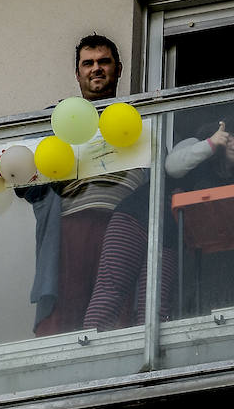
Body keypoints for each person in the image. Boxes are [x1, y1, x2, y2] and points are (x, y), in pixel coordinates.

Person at [83, 115, 234, 331]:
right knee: (113, 287)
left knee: (156, 303)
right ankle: (95, 345)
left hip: (169, 240)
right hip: (135, 219)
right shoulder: (197, 144)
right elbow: (172, 166)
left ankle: (149, 359)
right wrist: (211, 144)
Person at [23, 34, 144, 335]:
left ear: (118, 68)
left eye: (104, 62)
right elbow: (24, 180)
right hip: (70, 224)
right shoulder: (58, 120)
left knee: (119, 316)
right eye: (87, 63)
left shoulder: (141, 114)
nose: (96, 69)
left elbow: (166, 170)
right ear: (77, 74)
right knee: (67, 318)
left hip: (125, 224)